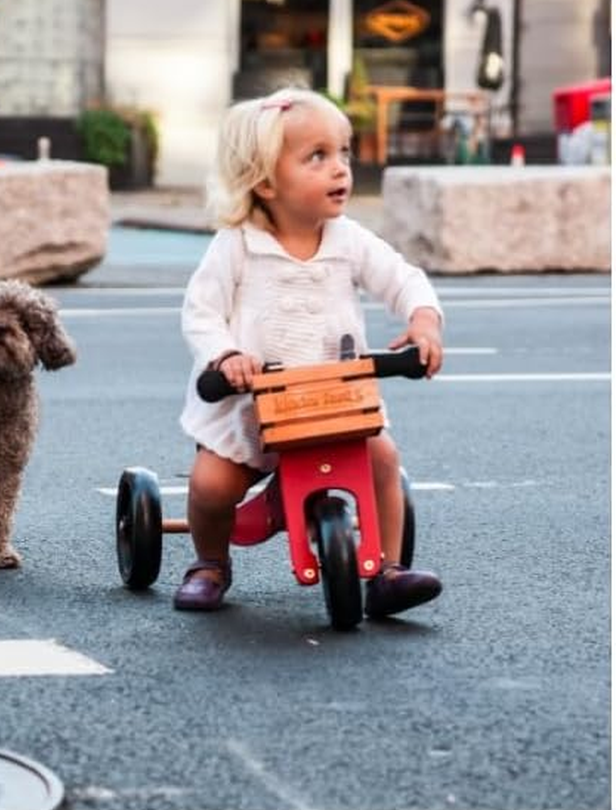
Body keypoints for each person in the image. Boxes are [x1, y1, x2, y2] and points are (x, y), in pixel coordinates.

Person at [175, 87, 444, 618]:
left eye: (344, 152)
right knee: (211, 486)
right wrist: (226, 357)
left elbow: (402, 278)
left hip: (334, 408)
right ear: (265, 181)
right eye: (317, 156)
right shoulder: (238, 245)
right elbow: (200, 313)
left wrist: (423, 319)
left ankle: (387, 571)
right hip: (250, 412)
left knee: (383, 459)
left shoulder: (349, 240)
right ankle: (210, 563)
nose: (340, 168)